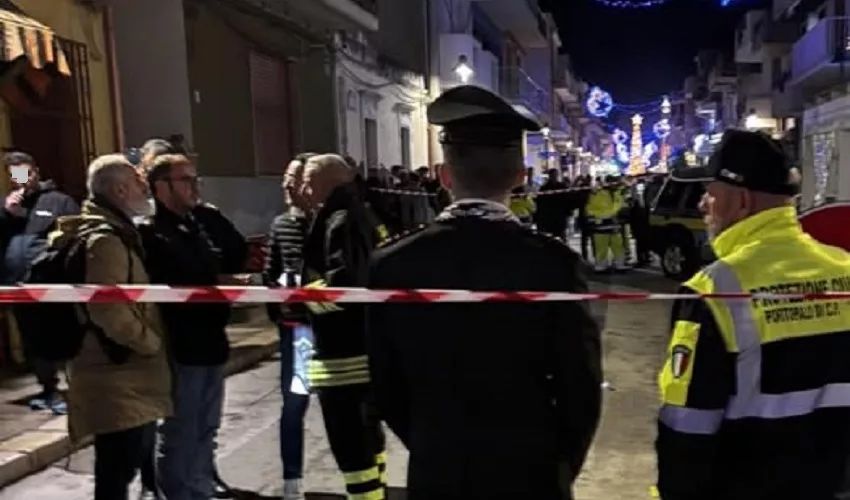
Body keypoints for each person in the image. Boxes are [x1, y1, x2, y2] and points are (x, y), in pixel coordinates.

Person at [366, 85, 603, 500]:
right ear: (520, 177)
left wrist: (431, 443)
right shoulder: (554, 264)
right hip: (532, 473)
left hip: (437, 470)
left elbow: (385, 384)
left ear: (443, 176)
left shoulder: (392, 264)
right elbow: (580, 385)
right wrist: (559, 463)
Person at [655, 129, 850, 500]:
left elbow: (688, 430)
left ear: (741, 201)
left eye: (709, 194)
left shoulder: (715, 289)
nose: (702, 206)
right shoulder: (846, 269)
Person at [62, 154, 171, 500]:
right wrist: (149, 342)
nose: (145, 190)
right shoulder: (106, 240)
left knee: (125, 465)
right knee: (115, 470)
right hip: (115, 373)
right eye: (139, 183)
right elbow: (108, 309)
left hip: (126, 374)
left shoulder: (120, 232)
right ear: (121, 190)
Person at [139, 154, 232, 500]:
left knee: (207, 429)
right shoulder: (151, 233)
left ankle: (200, 489)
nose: (195, 188)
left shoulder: (196, 224)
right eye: (186, 181)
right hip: (181, 348)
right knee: (181, 432)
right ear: (161, 187)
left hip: (211, 343)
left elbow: (228, 255)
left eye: (196, 180)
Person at [299, 154, 387, 500]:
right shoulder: (359, 213)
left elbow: (345, 287)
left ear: (326, 182)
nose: (304, 188)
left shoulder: (340, 219)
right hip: (362, 349)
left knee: (352, 448)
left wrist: (298, 297)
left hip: (343, 357)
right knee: (368, 443)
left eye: (308, 179)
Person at [0, 151, 80, 414]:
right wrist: (8, 214)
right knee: (31, 338)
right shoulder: (6, 206)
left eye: (26, 172)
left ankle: (77, 386)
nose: (22, 179)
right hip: (17, 284)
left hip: (52, 283)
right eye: (15, 174)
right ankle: (48, 387)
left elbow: (70, 236)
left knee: (62, 334)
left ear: (36, 170)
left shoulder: (58, 201)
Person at [263, 153, 315, 500]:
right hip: (297, 332)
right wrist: (279, 311)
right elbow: (271, 271)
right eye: (285, 177)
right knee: (294, 405)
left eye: (294, 178)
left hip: (332, 332)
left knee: (347, 408)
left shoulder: (331, 222)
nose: (287, 185)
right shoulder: (281, 224)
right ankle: (292, 482)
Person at [585, 175, 627, 272]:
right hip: (601, 224)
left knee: (617, 245)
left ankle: (619, 263)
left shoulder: (617, 193)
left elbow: (620, 206)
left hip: (613, 223)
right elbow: (590, 208)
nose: (616, 184)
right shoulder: (598, 193)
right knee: (601, 246)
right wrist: (600, 217)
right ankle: (601, 265)